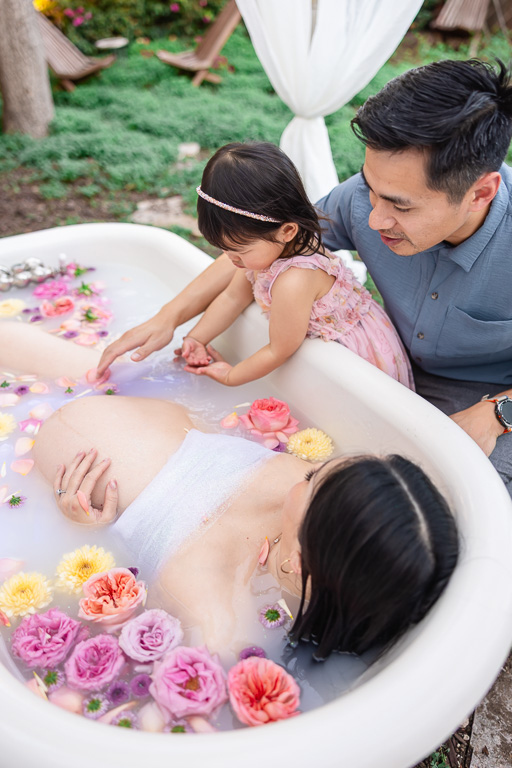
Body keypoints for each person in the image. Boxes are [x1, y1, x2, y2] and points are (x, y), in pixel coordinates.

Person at [97, 59, 512, 497]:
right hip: (389, 371)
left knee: (464, 509)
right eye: (370, 187)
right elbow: (264, 246)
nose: (373, 218)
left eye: (400, 206)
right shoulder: (360, 199)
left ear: (480, 193)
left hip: (491, 396)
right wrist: (169, 317)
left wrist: (497, 413)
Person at [1, 322, 457, 659]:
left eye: (315, 478)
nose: (317, 465)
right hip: (107, 388)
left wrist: (86, 532)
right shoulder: (315, 514)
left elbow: (120, 615)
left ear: (299, 560)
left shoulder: (216, 607)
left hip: (25, 446)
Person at [179, 142, 413, 388]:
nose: (232, 260)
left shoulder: (295, 278)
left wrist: (231, 376)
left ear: (287, 230)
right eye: (224, 250)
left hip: (357, 356)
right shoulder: (268, 250)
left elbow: (278, 350)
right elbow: (232, 298)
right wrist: (197, 337)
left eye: (239, 251)